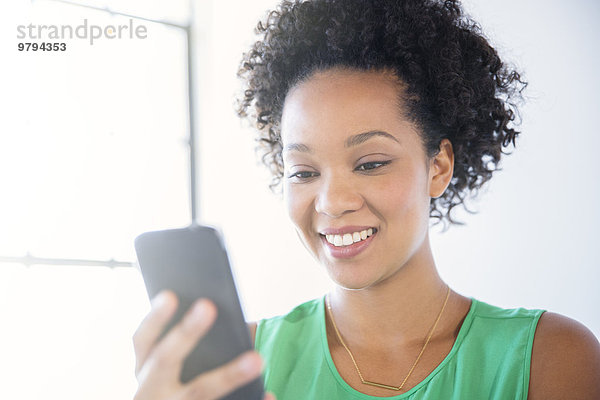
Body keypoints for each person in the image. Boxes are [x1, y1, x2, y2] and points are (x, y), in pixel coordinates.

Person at [132, 0, 600, 399]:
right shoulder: (244, 367)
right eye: (304, 172)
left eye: (371, 163)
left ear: (437, 167)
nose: (332, 201)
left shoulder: (551, 359)